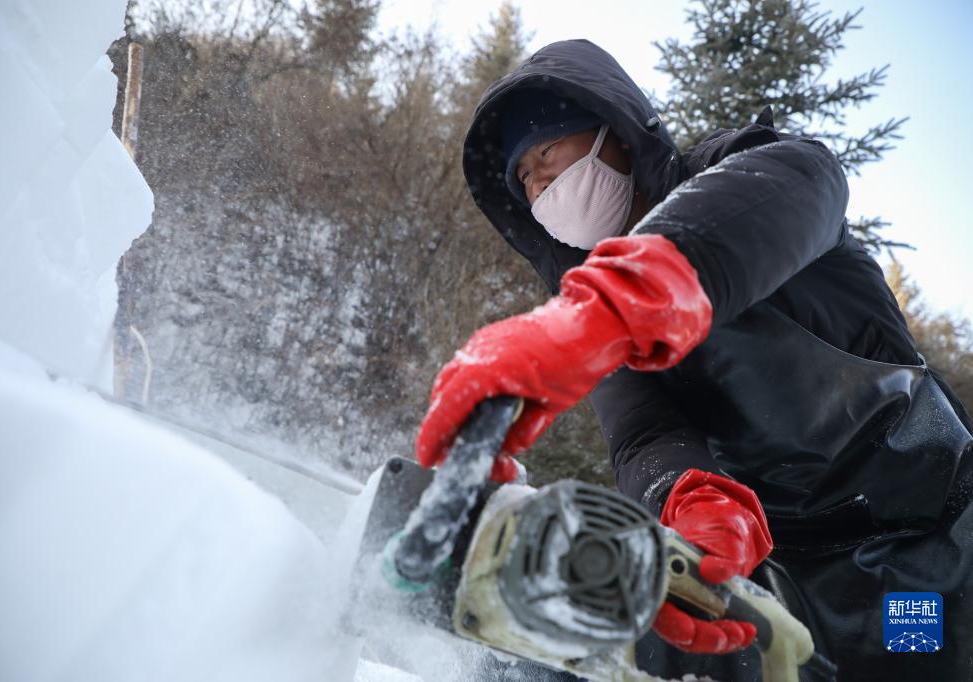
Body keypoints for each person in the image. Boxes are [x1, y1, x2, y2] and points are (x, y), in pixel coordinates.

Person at [414, 39, 973, 680]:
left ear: (616, 134)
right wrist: (691, 497)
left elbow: (806, 180)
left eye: (547, 153)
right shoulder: (601, 323)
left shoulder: (750, 177)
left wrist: (606, 309)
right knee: (575, 652)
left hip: (930, 547)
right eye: (524, 179)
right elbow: (644, 433)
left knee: (927, 662)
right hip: (783, 575)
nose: (538, 184)